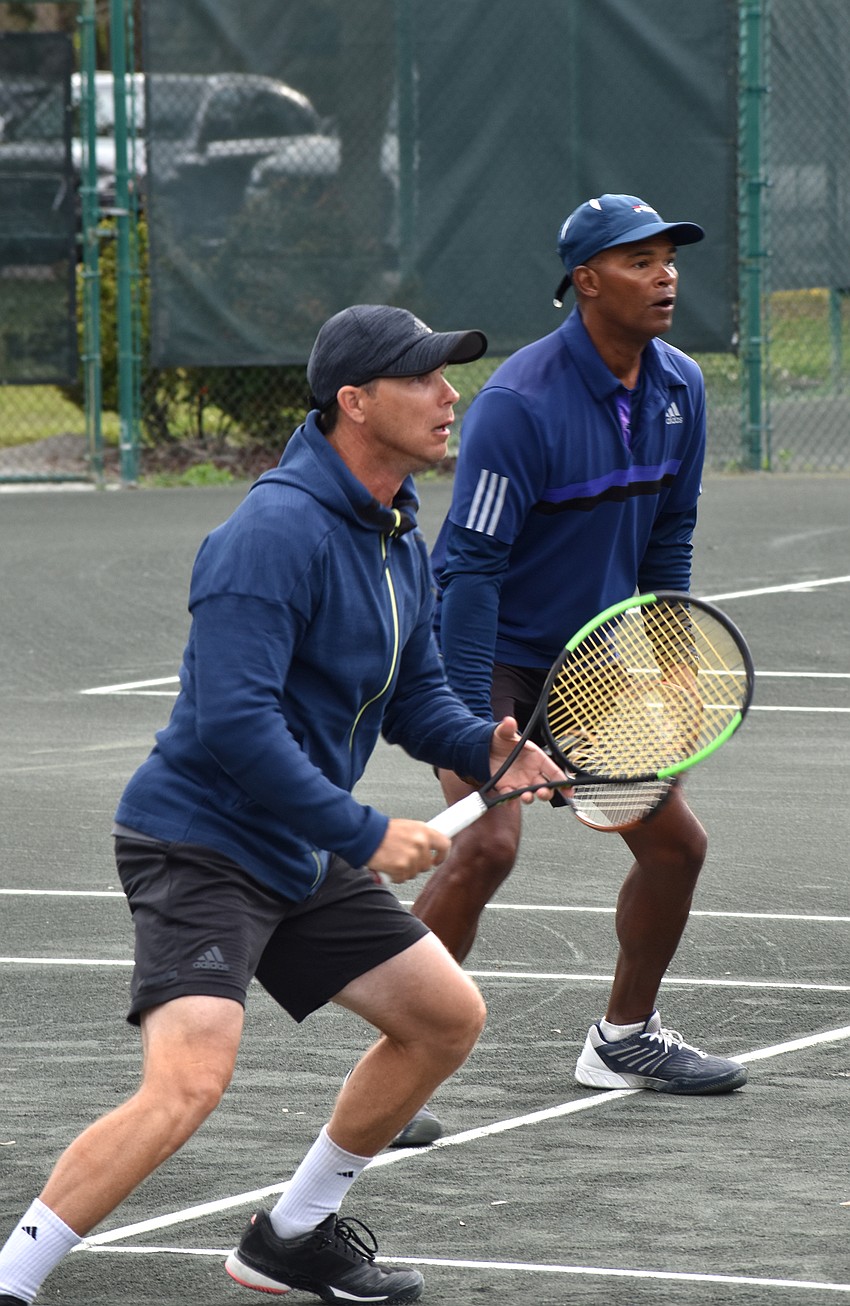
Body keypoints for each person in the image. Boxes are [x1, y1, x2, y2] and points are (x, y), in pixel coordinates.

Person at [0, 304, 566, 1306]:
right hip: (201, 842)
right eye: (426, 378)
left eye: (450, 376)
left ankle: (292, 1235)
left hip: (295, 848)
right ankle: (14, 1276)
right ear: (354, 402)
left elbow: (417, 694)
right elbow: (232, 722)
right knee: (186, 1084)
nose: (451, 397)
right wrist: (362, 832)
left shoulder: (394, 532)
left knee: (442, 1017)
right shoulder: (270, 533)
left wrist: (482, 747)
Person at [394, 193, 748, 1149]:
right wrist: (477, 723)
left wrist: (669, 657)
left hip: (592, 661)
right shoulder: (519, 403)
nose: (666, 273)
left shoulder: (680, 388)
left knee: (677, 846)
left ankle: (623, 1038)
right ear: (586, 281)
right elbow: (470, 567)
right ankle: (387, 1078)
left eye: (670, 256)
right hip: (484, 651)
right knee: (487, 847)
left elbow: (667, 536)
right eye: (640, 261)